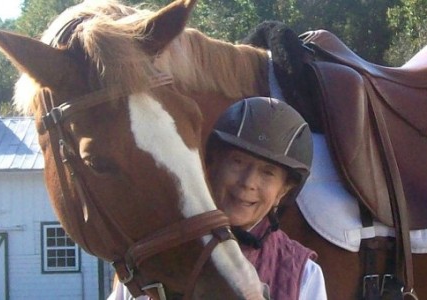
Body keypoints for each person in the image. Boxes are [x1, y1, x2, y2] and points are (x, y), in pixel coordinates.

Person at [108, 97, 327, 300]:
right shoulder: (153, 254)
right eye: (237, 162)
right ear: (212, 165)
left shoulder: (303, 274)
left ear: (282, 192)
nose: (248, 182)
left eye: (267, 173)